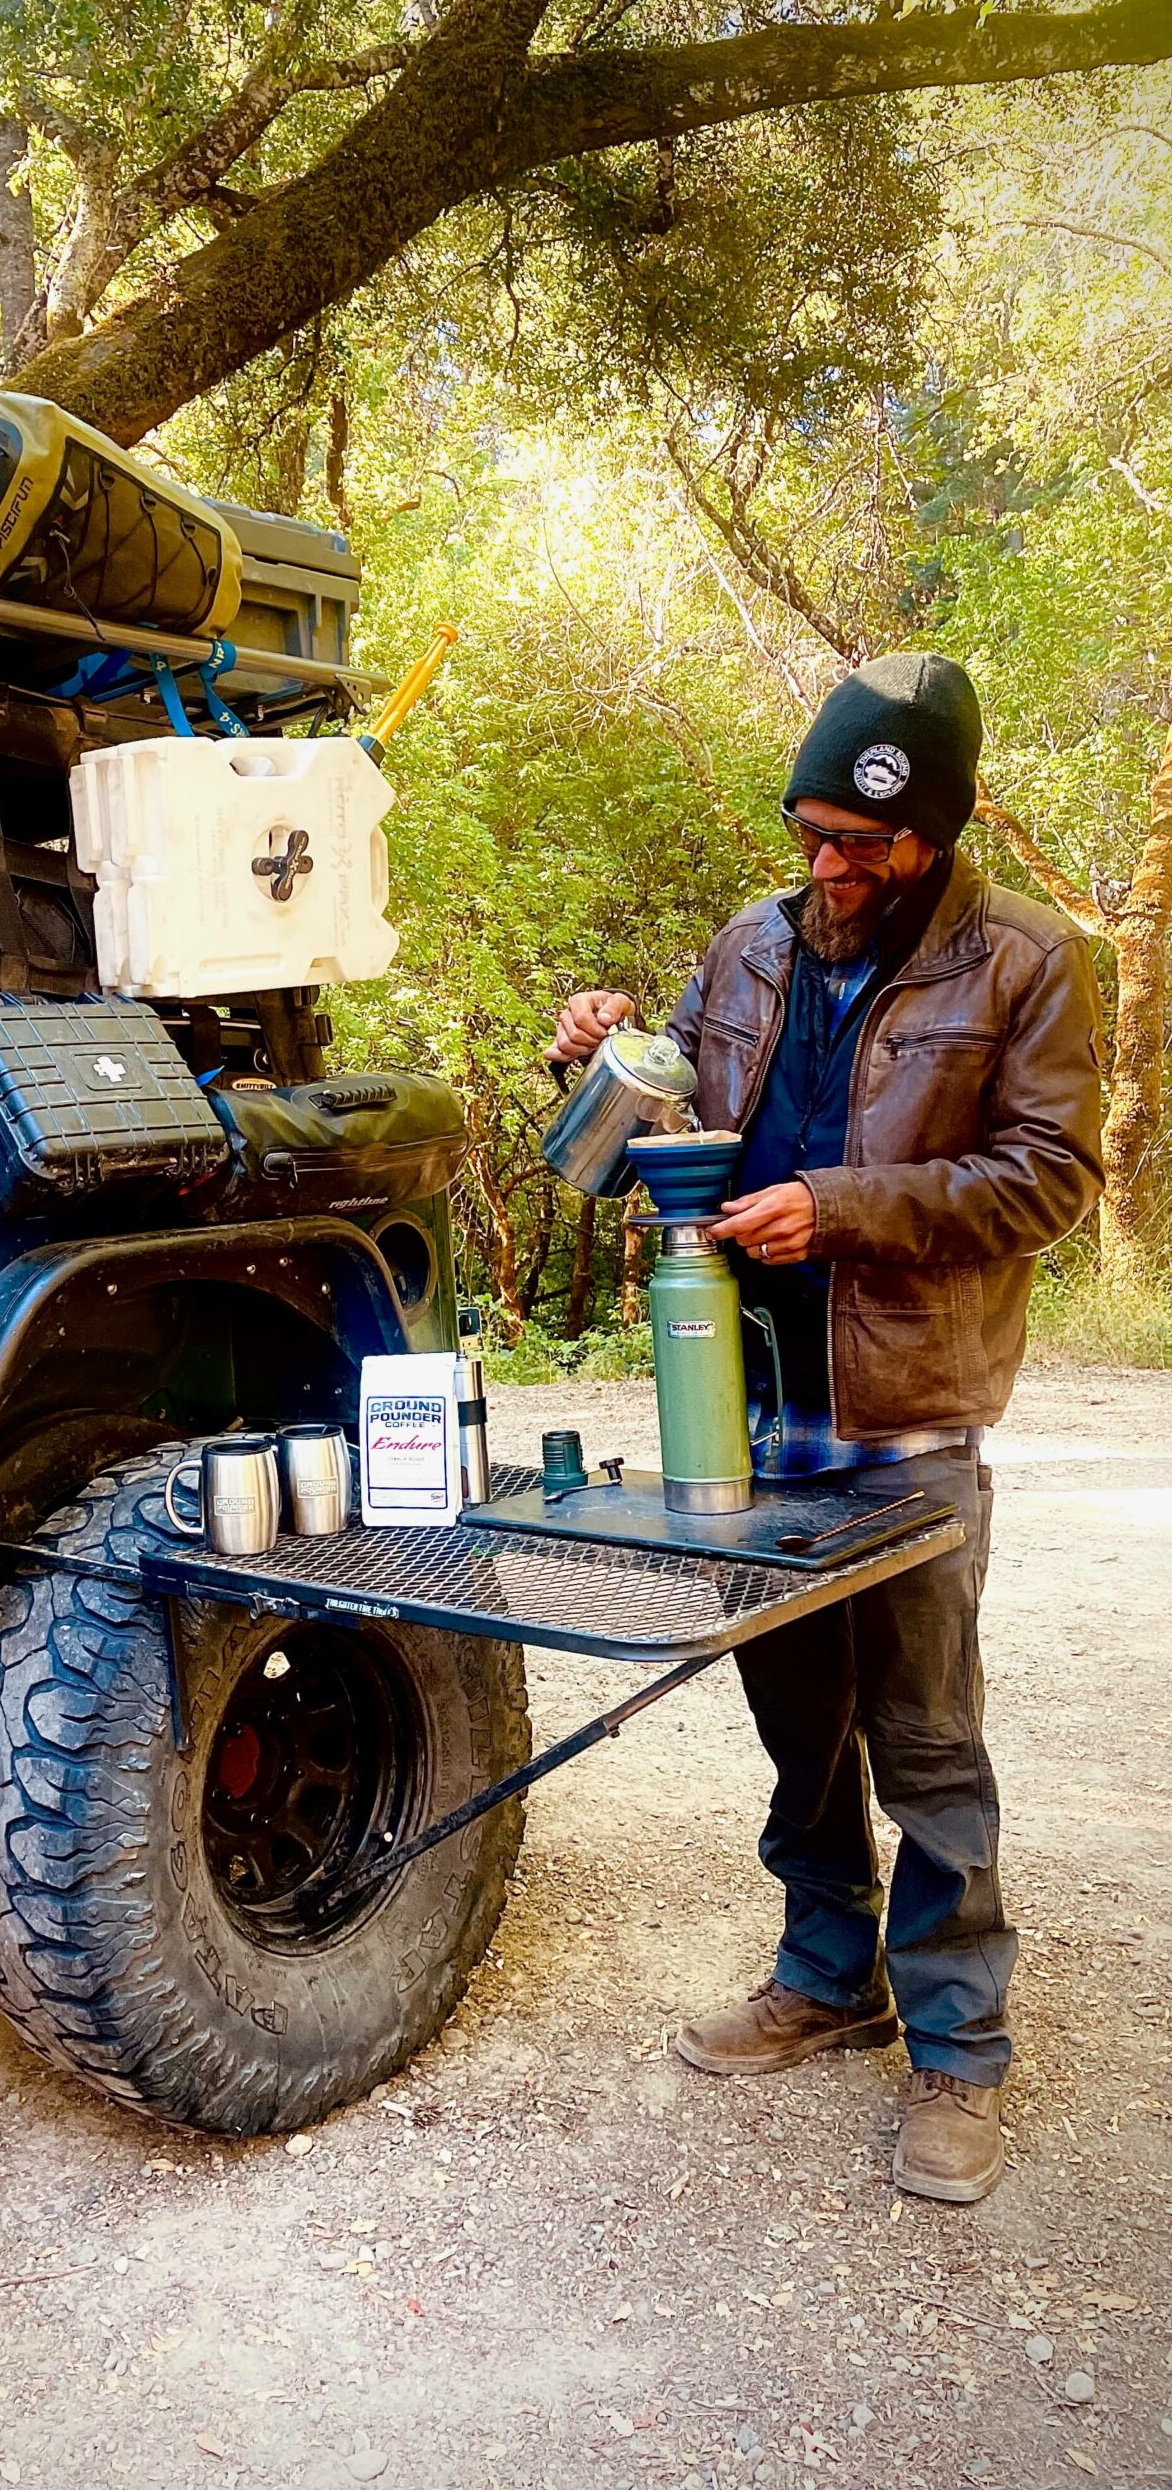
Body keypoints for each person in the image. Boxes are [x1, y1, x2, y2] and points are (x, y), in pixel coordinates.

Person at [549, 653, 1103, 2203]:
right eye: (811, 836)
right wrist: (601, 1060)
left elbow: (1054, 1178)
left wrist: (843, 1210)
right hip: (745, 1392)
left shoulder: (1031, 961)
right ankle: (825, 1972)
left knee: (924, 1730)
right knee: (798, 1714)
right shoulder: (746, 948)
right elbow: (671, 1128)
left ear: (938, 829)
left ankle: (960, 2050)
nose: (828, 870)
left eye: (864, 844)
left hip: (906, 1403)